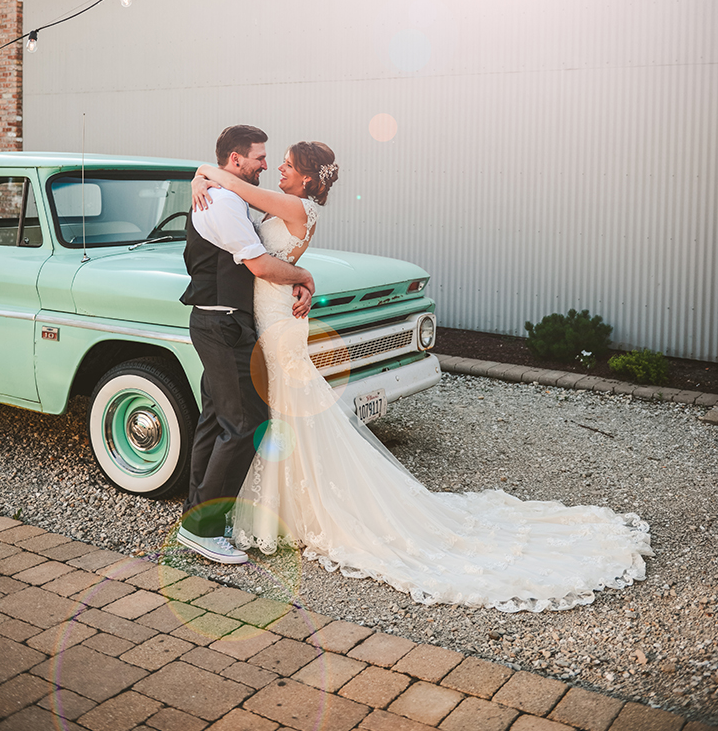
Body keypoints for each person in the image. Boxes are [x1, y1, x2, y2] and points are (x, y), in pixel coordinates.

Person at [191, 143, 653, 610]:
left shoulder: (294, 205)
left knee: (286, 413)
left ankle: (279, 514)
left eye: (287, 165)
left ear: (308, 179)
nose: (278, 170)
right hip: (269, 318)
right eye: (276, 162)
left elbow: (232, 182)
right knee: (278, 414)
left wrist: (206, 176)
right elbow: (232, 185)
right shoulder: (294, 203)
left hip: (275, 324)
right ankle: (270, 510)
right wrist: (202, 180)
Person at [177, 125, 315, 565]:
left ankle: (195, 517)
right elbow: (258, 264)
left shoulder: (225, 194)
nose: (265, 164)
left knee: (216, 418)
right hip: (222, 326)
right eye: (259, 157)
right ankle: (202, 530)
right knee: (244, 423)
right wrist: (304, 277)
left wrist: (203, 174)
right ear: (236, 161)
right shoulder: (221, 201)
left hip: (228, 324)